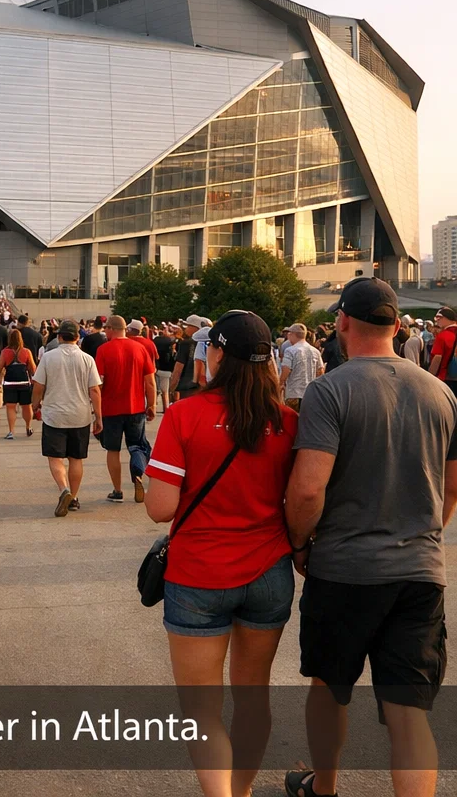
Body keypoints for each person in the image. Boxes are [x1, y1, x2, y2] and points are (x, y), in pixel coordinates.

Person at [284, 277, 457, 797]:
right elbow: (452, 487)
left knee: (329, 688)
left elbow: (308, 488)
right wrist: (426, 534)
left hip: (345, 568)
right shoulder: (442, 393)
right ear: (397, 325)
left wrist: (300, 543)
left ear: (341, 322)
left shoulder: (330, 389)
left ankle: (324, 787)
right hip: (420, 572)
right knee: (408, 712)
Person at [144, 310, 298, 797]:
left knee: (202, 710)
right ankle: (243, 788)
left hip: (199, 574)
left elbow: (160, 508)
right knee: (253, 696)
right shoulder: (288, 422)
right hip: (269, 570)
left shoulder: (184, 415)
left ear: (216, 355)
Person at [32, 319, 102, 516]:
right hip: (80, 415)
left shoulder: (48, 357)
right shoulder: (87, 359)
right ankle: (74, 497)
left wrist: (35, 404)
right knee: (76, 458)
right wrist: (99, 417)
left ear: (60, 337)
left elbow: (38, 386)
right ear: (78, 337)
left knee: (55, 457)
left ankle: (64, 490)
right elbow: (95, 390)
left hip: (54, 414)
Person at [95, 315, 156, 503]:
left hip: (110, 408)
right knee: (136, 445)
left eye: (106, 328)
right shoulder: (140, 348)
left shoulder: (103, 350)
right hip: (136, 407)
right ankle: (138, 474)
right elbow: (150, 382)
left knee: (113, 450)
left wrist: (96, 409)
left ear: (112, 329)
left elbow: (99, 382)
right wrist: (152, 404)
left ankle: (117, 490)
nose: (105, 331)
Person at [0, 328, 37, 440]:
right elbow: (33, 368)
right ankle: (28, 427)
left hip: (10, 383)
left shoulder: (5, 352)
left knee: (10, 407)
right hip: (24, 382)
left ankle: (11, 431)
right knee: (26, 406)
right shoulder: (26, 352)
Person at [279, 321, 324, 411]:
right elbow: (320, 371)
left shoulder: (290, 350)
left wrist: (281, 383)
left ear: (292, 334)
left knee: (293, 417)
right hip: (310, 394)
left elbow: (286, 369)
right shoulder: (315, 351)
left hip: (293, 393)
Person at [170, 315, 204, 401]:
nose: (185, 329)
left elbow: (178, 369)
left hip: (187, 388)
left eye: (188, 326)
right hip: (204, 388)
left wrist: (171, 388)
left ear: (195, 327)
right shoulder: (209, 343)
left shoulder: (186, 343)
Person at [428, 306, 457, 399]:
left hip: (445, 379)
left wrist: (429, 378)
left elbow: (437, 358)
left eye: (439, 318)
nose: (437, 320)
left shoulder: (442, 336)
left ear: (447, 318)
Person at [154, 324, 177, 412]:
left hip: (156, 368)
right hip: (167, 370)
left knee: (156, 390)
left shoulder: (156, 341)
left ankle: (153, 406)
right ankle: (165, 409)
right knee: (165, 391)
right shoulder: (171, 343)